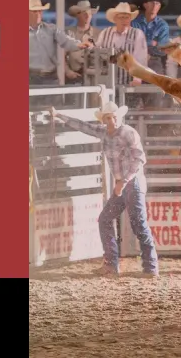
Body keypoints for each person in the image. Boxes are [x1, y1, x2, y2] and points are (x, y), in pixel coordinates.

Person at [50, 102, 159, 278]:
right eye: (108, 118)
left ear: (119, 117)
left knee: (138, 224)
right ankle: (112, 265)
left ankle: (150, 267)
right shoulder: (103, 132)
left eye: (114, 117)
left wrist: (123, 181)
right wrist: (59, 115)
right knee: (105, 219)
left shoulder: (129, 132)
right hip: (122, 185)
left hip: (132, 183)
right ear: (104, 120)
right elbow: (83, 126)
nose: (111, 120)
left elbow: (139, 160)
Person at [28, 0, 92, 86]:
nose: (38, 14)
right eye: (34, 11)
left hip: (51, 77)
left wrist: (79, 44)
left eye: (40, 11)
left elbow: (65, 40)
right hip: (31, 78)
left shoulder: (51, 29)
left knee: (54, 100)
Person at [95, 3, 149, 86]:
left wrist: (137, 79)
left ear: (130, 19)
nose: (124, 20)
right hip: (107, 82)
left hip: (129, 82)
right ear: (115, 19)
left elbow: (141, 59)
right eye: (121, 17)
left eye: (127, 17)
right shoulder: (105, 33)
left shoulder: (137, 34)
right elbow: (97, 53)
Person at [131, 0, 171, 75]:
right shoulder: (134, 22)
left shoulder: (163, 26)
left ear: (159, 6)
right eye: (152, 2)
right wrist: (152, 43)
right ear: (145, 5)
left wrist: (142, 43)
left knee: (156, 80)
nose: (154, 5)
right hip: (135, 59)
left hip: (154, 61)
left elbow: (162, 50)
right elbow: (130, 43)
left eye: (157, 3)